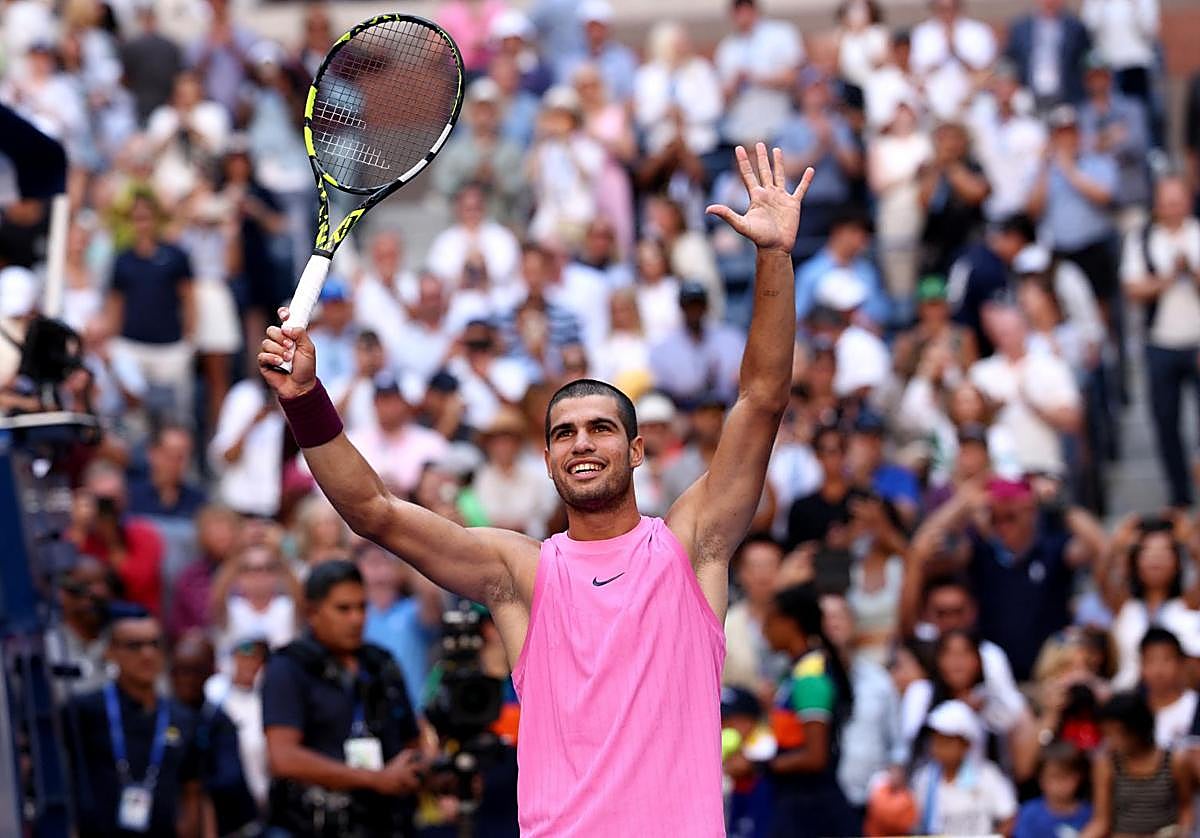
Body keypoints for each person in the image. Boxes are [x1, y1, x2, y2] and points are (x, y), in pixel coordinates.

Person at [258, 145, 813, 835]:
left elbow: (762, 398)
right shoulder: (521, 573)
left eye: (602, 428)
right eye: (565, 433)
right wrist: (306, 399)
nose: (583, 442)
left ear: (637, 451)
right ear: (548, 459)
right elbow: (374, 512)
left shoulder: (691, 546)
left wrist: (774, 258)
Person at [261, 560, 424, 837]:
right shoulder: (288, 667)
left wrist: (432, 774)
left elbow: (411, 745)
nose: (357, 618)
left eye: (362, 607)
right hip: (314, 825)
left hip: (385, 823)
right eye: (343, 609)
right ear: (312, 612)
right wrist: (374, 779)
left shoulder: (381, 663)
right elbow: (283, 758)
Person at [64, 613, 204, 837]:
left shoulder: (183, 717)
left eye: (155, 644)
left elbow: (192, 789)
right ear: (110, 651)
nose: (147, 654)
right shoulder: (84, 711)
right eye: (134, 645)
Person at [1121, 176, 1200, 509]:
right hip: (1160, 343)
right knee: (1165, 422)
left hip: (1197, 341)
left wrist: (1192, 273)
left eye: (1177, 200)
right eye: (1166, 201)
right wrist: (1168, 278)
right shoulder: (1142, 239)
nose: (1172, 207)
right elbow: (1133, 289)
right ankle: (1179, 496)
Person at [757, 584, 858, 837]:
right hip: (795, 806)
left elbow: (815, 756)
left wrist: (761, 766)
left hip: (813, 814)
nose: (763, 630)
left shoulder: (810, 677)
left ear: (789, 624)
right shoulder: (793, 674)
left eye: (769, 621)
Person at [169, 630, 258, 835]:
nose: (186, 679)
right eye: (180, 670)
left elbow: (229, 777)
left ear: (211, 671)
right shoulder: (162, 715)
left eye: (195, 670)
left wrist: (191, 787)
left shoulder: (218, 719)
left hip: (226, 823)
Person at [1084, 691, 1193, 838]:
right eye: (1107, 734)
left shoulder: (1175, 761)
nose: (1113, 741)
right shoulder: (1106, 765)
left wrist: (1182, 832)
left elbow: (1186, 808)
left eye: (1118, 733)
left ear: (1137, 728)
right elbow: (1101, 821)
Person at [910, 700, 1019, 836]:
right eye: (936, 740)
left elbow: (1009, 817)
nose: (939, 747)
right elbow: (916, 824)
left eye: (947, 742)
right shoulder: (924, 779)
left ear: (966, 744)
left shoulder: (987, 776)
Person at [358, 544, 443, 711]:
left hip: (413, 715)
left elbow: (430, 593)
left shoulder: (412, 611)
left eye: (385, 563)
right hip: (366, 715)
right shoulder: (354, 614)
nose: (379, 572)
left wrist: (407, 553)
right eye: (372, 563)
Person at [715, 0, 803, 149]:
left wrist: (754, 77)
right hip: (742, 129)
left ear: (754, 10)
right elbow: (722, 96)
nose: (742, 14)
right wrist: (735, 83)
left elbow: (793, 77)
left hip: (779, 124)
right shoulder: (727, 47)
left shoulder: (780, 34)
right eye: (738, 10)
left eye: (745, 8)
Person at [648, 282, 745, 409]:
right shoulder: (663, 348)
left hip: (728, 408)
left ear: (706, 306)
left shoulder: (731, 338)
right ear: (681, 307)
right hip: (686, 413)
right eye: (689, 305)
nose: (694, 310)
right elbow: (668, 391)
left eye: (698, 304)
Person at [47, 556, 118, 698]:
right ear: (63, 593)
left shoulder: (123, 639)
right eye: (84, 587)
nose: (98, 593)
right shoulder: (47, 646)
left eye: (104, 586)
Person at [723, 533, 784, 693]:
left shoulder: (798, 621)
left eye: (770, 565)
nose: (763, 575)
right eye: (756, 566)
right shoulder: (726, 625)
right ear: (741, 573)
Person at [1004, 0, 1092, 108]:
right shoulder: (1021, 28)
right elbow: (1010, 60)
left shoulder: (1075, 28)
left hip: (1065, 97)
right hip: (1029, 95)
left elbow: (1084, 60)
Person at [1014, 741, 1093, 838]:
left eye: (1066, 777)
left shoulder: (1089, 815)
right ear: (1041, 779)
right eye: (1055, 777)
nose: (1061, 784)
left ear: (1079, 777)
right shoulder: (1029, 814)